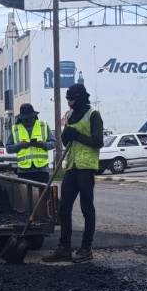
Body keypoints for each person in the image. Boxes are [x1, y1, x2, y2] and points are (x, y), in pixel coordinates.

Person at [43, 83, 104, 264]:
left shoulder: (93, 114)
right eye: (68, 99)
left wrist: (76, 135)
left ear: (81, 98)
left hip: (86, 166)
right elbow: (64, 141)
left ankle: (86, 248)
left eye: (72, 99)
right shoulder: (69, 115)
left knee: (86, 208)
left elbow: (98, 142)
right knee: (64, 208)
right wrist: (67, 134)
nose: (69, 102)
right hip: (71, 166)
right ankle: (64, 248)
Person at [5, 103, 55, 183]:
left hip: (41, 170)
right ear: (21, 118)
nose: (27, 120)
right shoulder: (16, 129)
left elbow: (53, 143)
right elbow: (8, 148)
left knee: (43, 191)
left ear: (34, 116)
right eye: (25, 119)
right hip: (24, 171)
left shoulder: (43, 125)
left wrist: (43, 145)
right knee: (25, 192)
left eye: (29, 118)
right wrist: (20, 145)